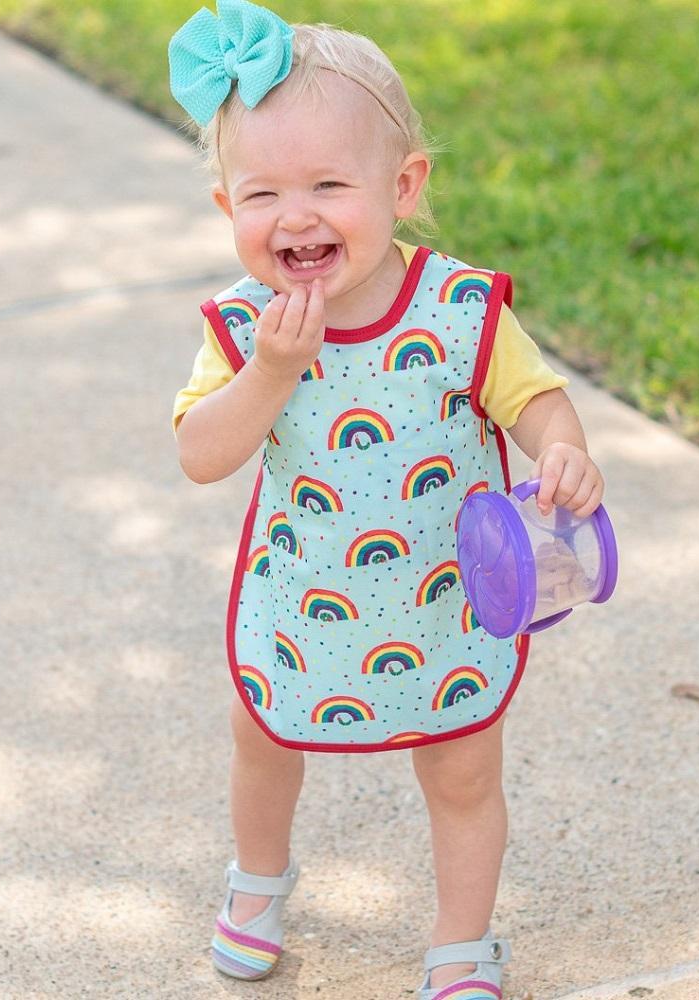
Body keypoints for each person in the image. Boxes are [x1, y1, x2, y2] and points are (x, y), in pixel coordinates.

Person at [169, 2, 605, 996]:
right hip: (304, 596)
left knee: (460, 776)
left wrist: (565, 451)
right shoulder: (245, 329)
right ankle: (257, 880)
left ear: (402, 185)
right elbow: (201, 453)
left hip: (444, 603)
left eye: (329, 183)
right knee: (265, 737)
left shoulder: (457, 309)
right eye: (263, 191)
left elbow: (531, 398)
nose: (296, 214)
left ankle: (461, 942)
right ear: (224, 206)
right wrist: (272, 374)